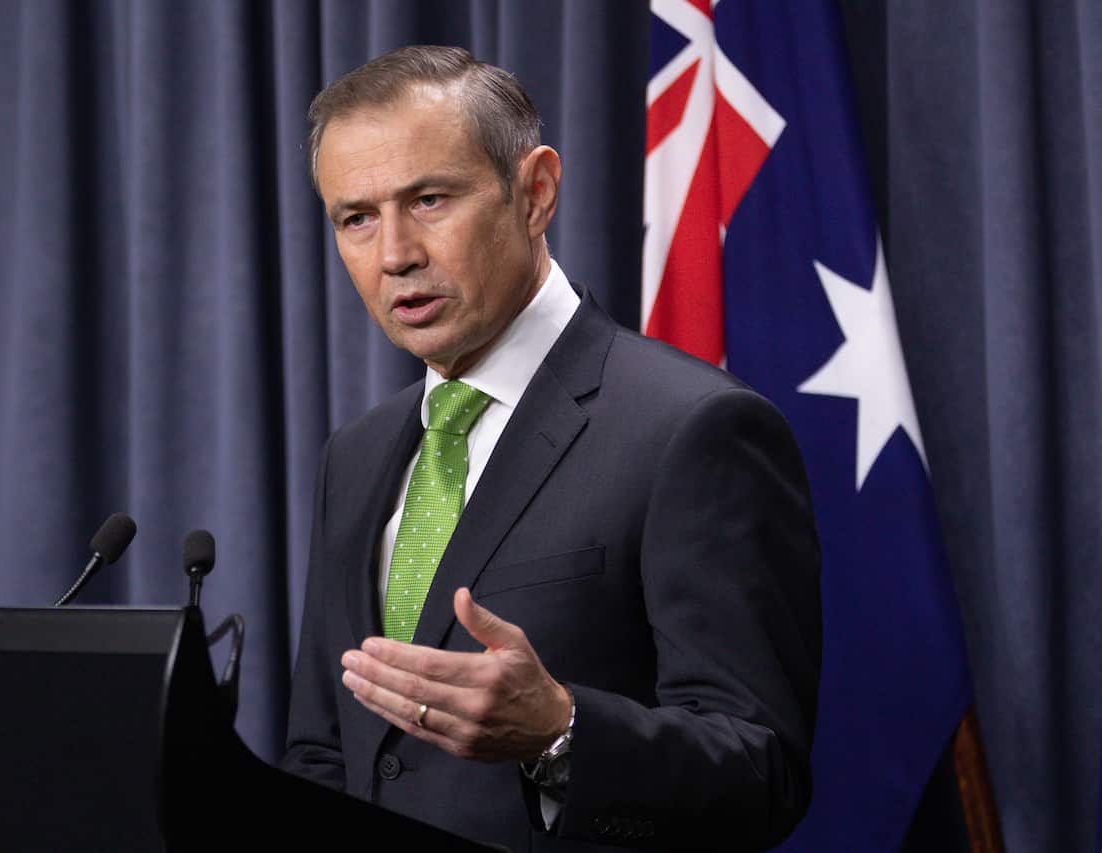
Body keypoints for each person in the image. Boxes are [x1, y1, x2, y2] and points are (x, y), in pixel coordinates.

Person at [281, 45, 821, 852]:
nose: (394, 254)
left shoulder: (695, 427)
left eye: (429, 199)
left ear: (534, 193)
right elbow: (327, 750)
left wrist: (561, 731)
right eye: (356, 217)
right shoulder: (356, 455)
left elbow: (762, 771)